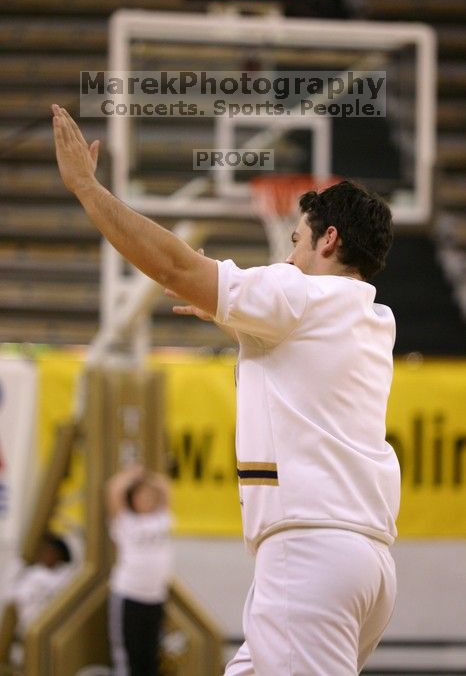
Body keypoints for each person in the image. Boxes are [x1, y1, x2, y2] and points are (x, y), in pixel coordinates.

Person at [52, 105, 400, 675]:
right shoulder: (371, 316)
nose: (287, 256)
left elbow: (175, 267)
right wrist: (229, 313)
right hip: (365, 566)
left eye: (296, 240)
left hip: (309, 554)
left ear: (330, 238)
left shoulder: (300, 293)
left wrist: (89, 191)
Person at [106, 465, 172, 676]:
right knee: (129, 657)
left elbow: (165, 487)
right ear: (132, 499)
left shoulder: (162, 519)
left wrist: (149, 477)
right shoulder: (126, 521)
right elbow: (113, 490)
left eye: (150, 496)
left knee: (150, 655)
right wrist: (132, 475)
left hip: (155, 597)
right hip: (129, 596)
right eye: (141, 496)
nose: (146, 500)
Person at [5, 532, 75, 638]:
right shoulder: (34, 573)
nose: (43, 555)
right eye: (41, 551)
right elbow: (13, 597)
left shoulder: (70, 576)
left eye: (48, 551)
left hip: (56, 630)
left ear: (60, 554)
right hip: (30, 630)